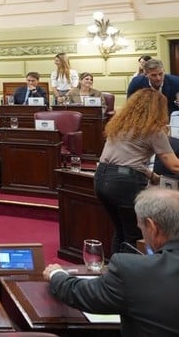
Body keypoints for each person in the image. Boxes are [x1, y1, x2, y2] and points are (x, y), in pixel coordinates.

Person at [44, 187, 179, 337]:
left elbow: (82, 294)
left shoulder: (133, 271)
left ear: (152, 227)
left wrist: (56, 274)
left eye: (141, 228)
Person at [96, 89, 179, 255]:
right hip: (124, 184)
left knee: (120, 232)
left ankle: (115, 268)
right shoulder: (153, 130)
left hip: (101, 178)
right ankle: (130, 270)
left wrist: (152, 176)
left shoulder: (119, 125)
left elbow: (124, 159)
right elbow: (174, 165)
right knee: (134, 236)